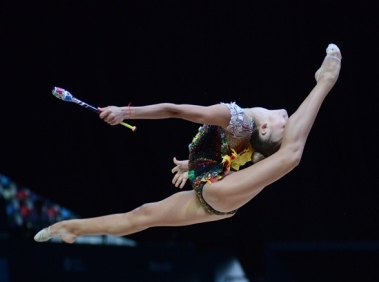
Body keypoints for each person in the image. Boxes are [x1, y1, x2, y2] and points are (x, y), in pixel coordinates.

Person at [34, 44, 341, 243]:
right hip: (214, 195)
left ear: (263, 127)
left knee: (290, 155)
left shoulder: (234, 118)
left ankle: (325, 79)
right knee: (142, 215)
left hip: (217, 192)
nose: (286, 116)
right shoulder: (244, 130)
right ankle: (73, 228)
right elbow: (228, 155)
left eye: (283, 125)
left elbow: (175, 110)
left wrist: (124, 111)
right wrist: (191, 164)